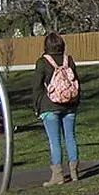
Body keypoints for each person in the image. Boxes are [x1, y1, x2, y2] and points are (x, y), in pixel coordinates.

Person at [34, 32, 81, 187]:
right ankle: (74, 172)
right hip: (70, 106)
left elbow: (37, 87)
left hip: (50, 107)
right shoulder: (69, 60)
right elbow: (77, 82)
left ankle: (58, 175)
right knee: (70, 137)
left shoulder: (42, 62)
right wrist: (76, 102)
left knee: (55, 141)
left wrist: (37, 107)